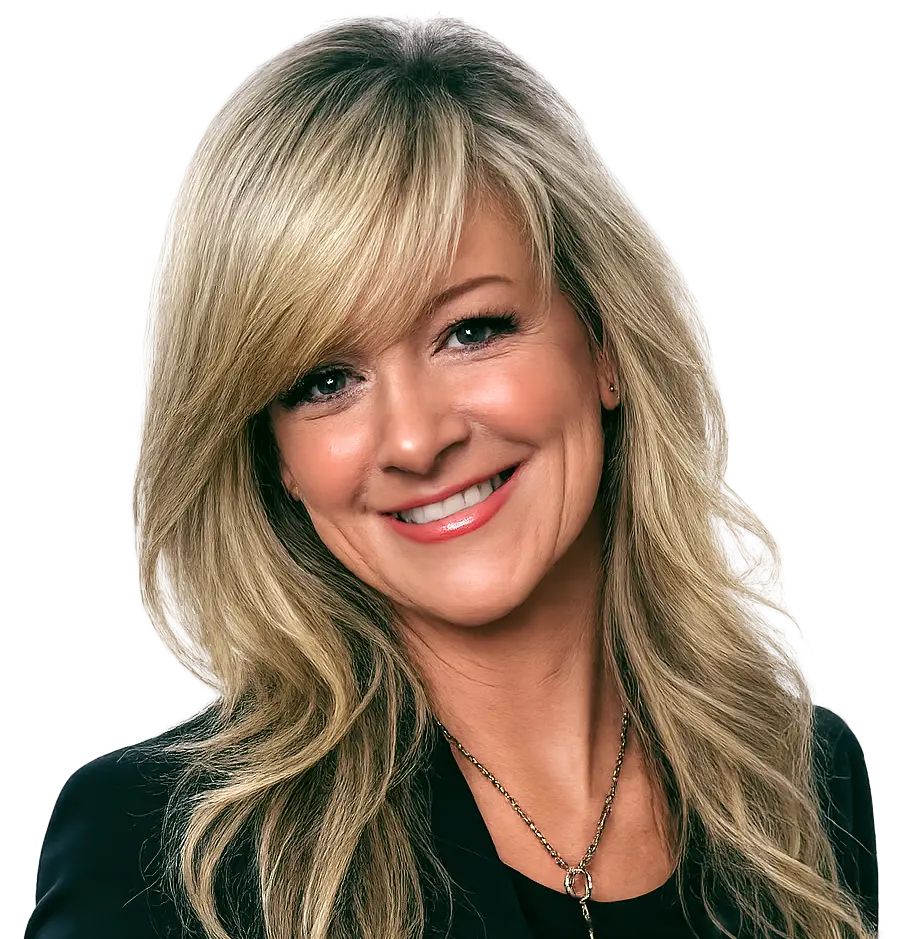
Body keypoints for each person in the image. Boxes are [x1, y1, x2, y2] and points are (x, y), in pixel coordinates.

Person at [25, 13, 878, 939]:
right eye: (324, 381)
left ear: (604, 345)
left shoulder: (806, 785)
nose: (415, 439)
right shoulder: (158, 854)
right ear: (277, 457)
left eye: (470, 331)